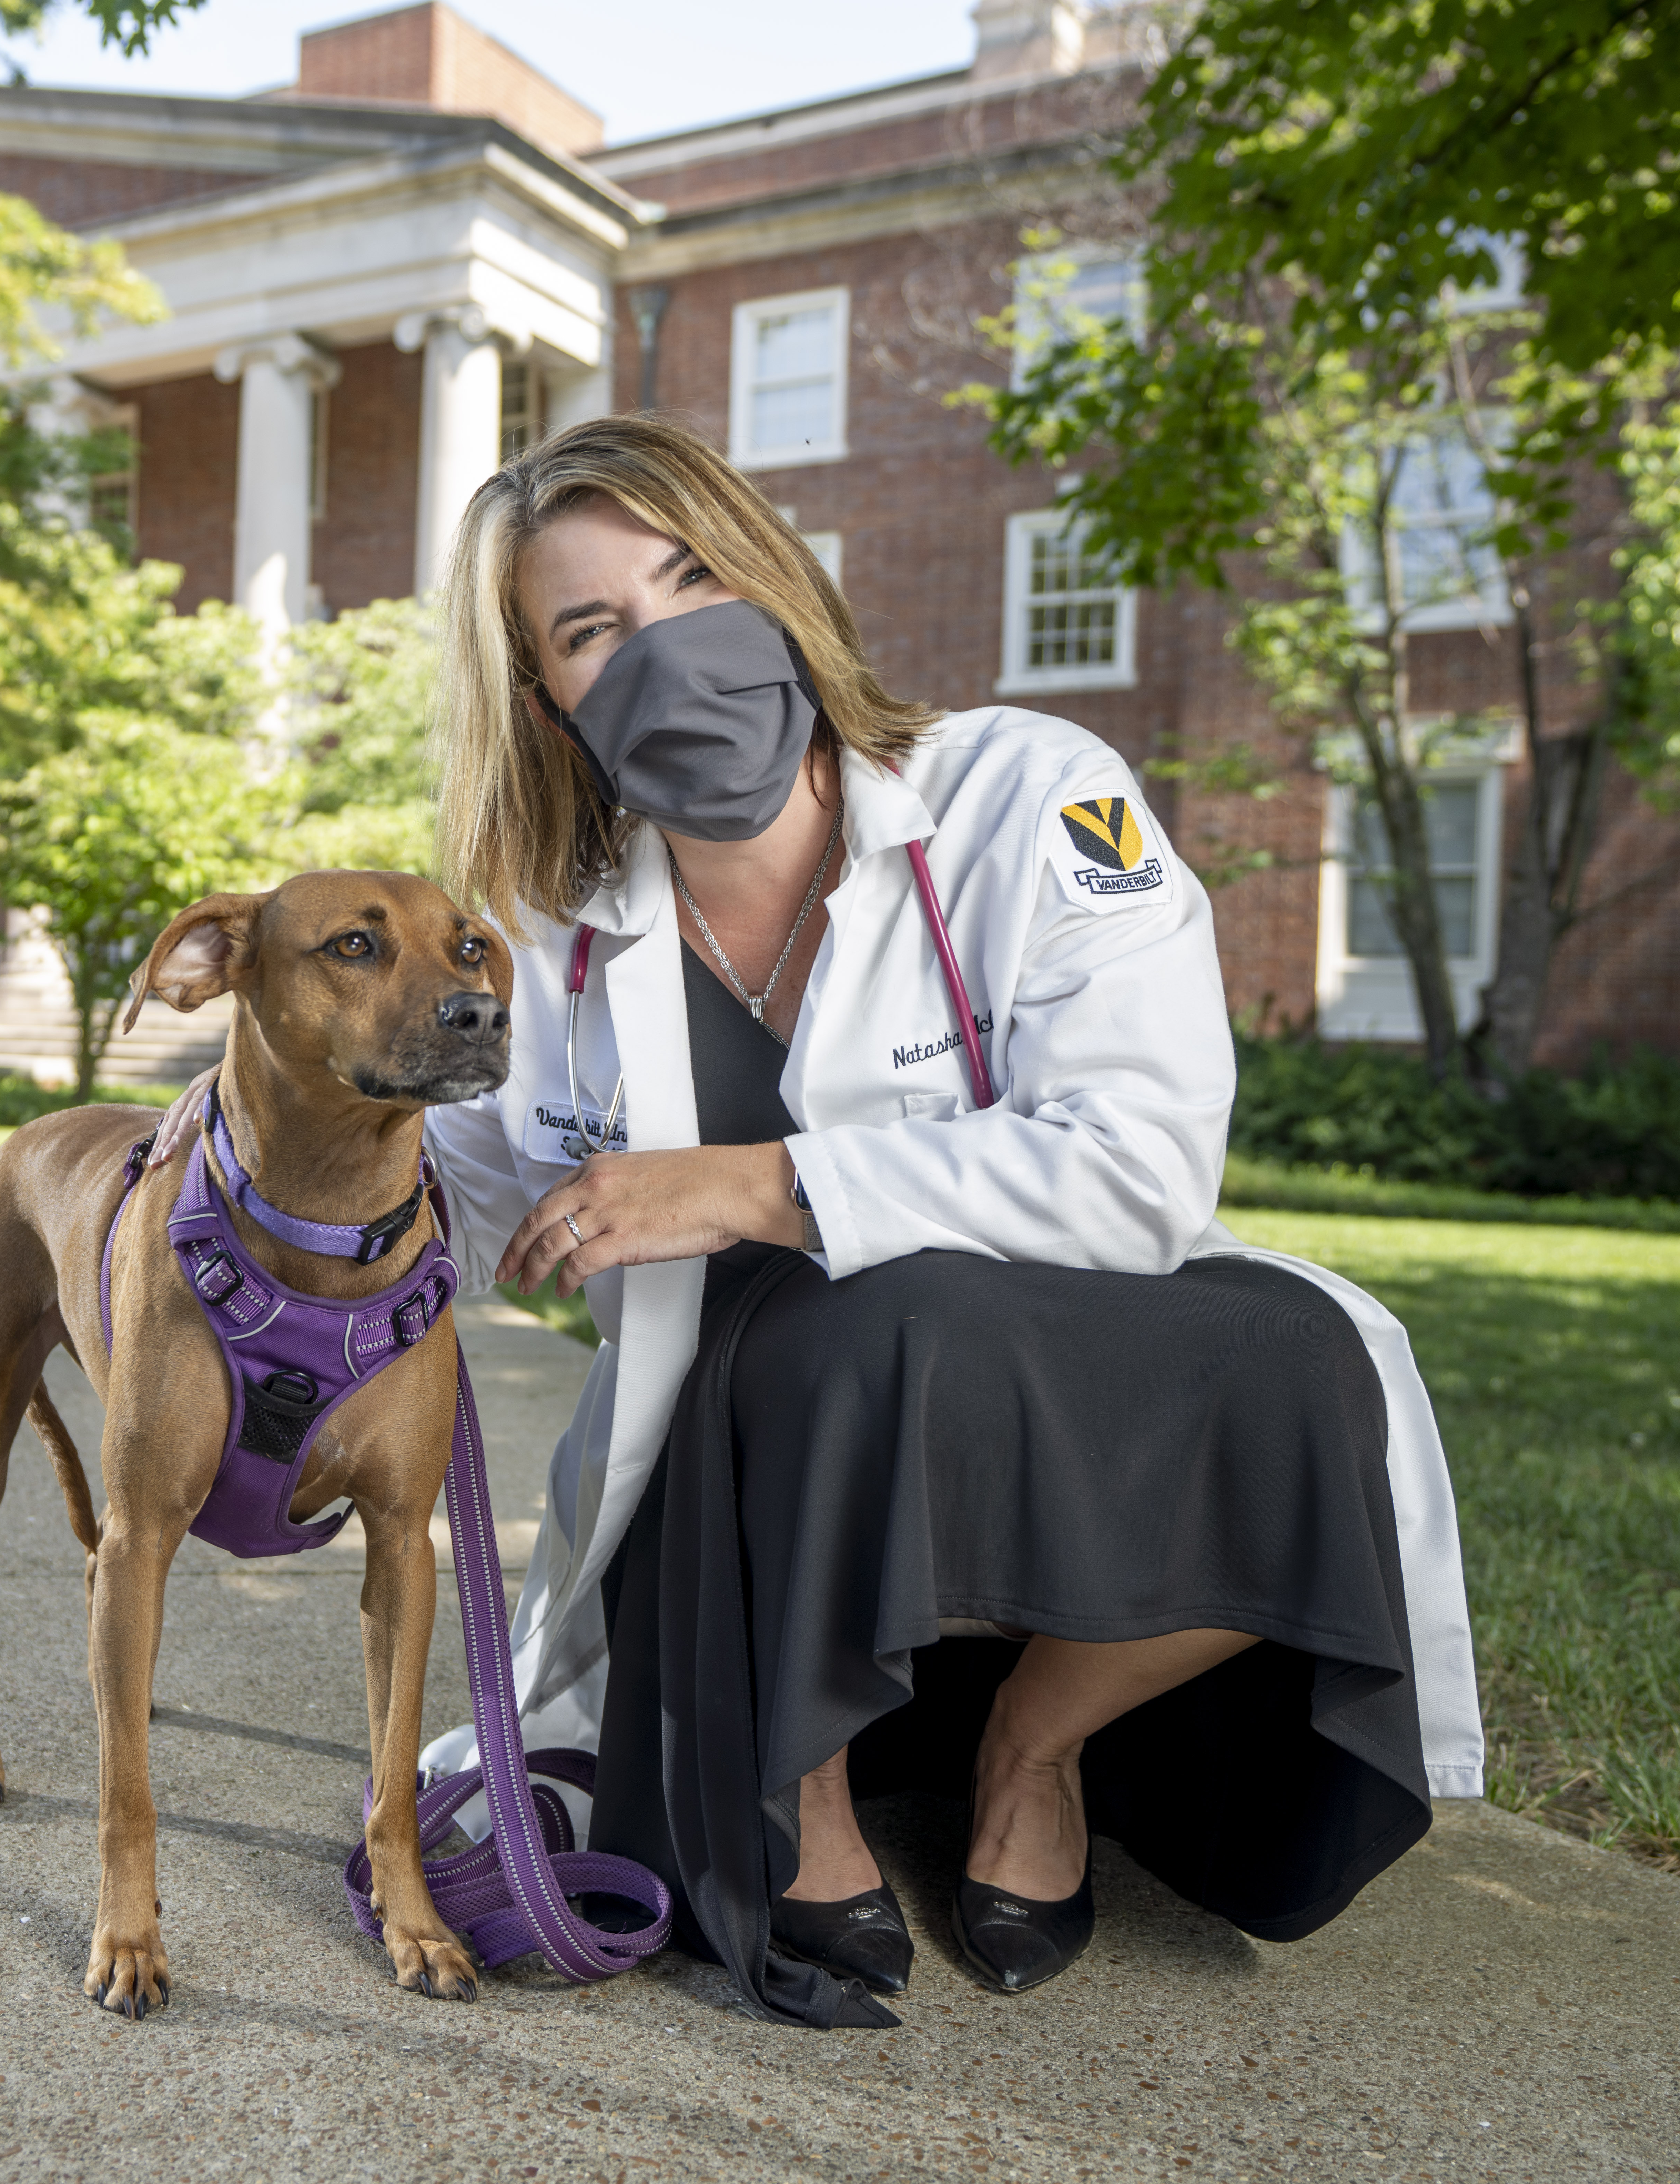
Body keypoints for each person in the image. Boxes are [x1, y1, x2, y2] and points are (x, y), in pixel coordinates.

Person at [416, 415, 1483, 2030]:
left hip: (1045, 1365)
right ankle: (810, 1790)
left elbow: (1141, 1166)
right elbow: (444, 1192)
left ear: (775, 577)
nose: (667, 646)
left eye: (692, 577)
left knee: (1302, 1359)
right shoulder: (547, 932)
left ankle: (1035, 1741)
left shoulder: (1034, 793)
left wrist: (761, 1184)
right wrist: (227, 1160)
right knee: (843, 1325)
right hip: (758, 1449)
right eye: (592, 630)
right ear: (544, 697)